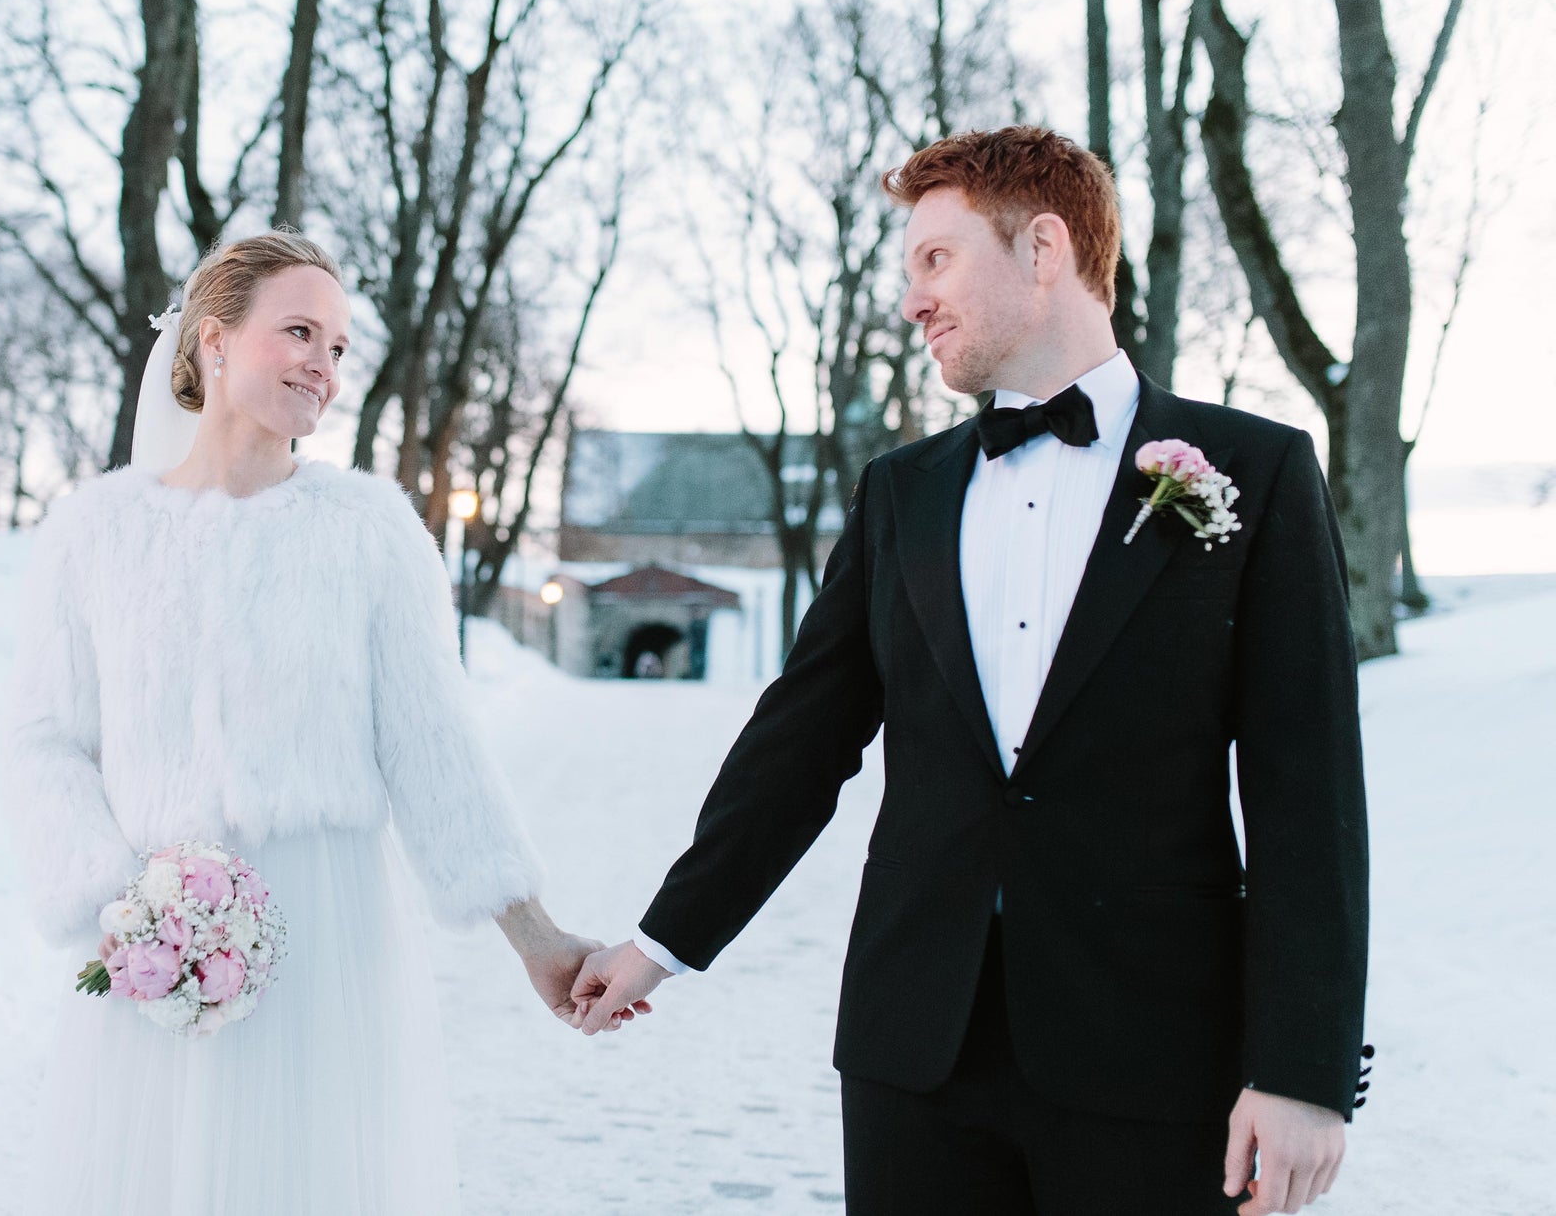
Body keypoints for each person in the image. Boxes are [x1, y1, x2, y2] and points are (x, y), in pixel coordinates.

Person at [569, 127, 1372, 1216]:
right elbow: (801, 740)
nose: (912, 299)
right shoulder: (901, 493)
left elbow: (1304, 790)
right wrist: (663, 941)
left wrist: (1299, 1072)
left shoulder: (1254, 472)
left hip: (1153, 1058)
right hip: (914, 1057)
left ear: (1042, 249)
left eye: (935, 260)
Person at [1, 230, 621, 1214]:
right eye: (298, 332)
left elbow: (431, 748)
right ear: (214, 340)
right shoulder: (95, 532)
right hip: (150, 939)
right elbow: (44, 741)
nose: (323, 368)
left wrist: (534, 934)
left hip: (321, 934)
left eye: (337, 347)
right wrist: (119, 908)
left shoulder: (369, 530)